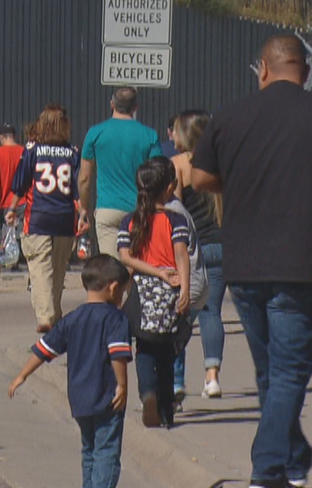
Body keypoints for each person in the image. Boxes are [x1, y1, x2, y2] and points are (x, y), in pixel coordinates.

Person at [192, 34, 312, 488]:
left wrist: (239, 183)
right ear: (306, 74)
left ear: (264, 70)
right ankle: (267, 471)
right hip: (300, 264)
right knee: (289, 372)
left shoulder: (230, 116)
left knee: (272, 371)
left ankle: (295, 458)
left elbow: (199, 177)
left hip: (244, 267)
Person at [9, 255, 132, 488]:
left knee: (89, 449)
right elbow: (118, 355)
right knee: (106, 450)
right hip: (107, 396)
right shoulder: (116, 318)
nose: (122, 297)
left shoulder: (72, 319)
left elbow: (44, 350)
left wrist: (22, 374)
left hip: (79, 397)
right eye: (122, 292)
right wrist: (122, 385)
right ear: (114, 287)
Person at [118, 156, 191, 429]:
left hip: (142, 290)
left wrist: (150, 270)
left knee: (145, 347)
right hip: (170, 289)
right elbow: (181, 254)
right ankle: (166, 408)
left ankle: (147, 394)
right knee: (168, 351)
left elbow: (125, 257)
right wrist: (183, 286)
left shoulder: (130, 220)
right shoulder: (175, 220)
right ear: (170, 188)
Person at [7, 105, 87, 332]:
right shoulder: (73, 151)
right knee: (58, 268)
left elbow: (21, 184)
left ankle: (46, 316)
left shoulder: (32, 149)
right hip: (64, 218)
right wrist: (82, 213)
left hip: (38, 217)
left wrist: (12, 209)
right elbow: (77, 187)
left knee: (40, 268)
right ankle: (55, 315)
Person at [169, 110, 224, 400]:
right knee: (212, 312)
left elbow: (175, 213)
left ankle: (176, 381)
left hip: (193, 248)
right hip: (222, 244)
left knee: (181, 315)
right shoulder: (222, 162)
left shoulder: (177, 165)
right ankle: (212, 378)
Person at [79, 87, 162, 259]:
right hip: (138, 208)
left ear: (112, 104)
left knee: (111, 268)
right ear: (136, 107)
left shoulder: (95, 133)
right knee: (136, 265)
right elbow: (158, 174)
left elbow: (84, 179)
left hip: (107, 208)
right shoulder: (150, 135)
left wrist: (84, 209)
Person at [0, 123, 25, 293]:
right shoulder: (25, 152)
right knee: (27, 240)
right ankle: (32, 281)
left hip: (4, 204)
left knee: (0, 242)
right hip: (24, 202)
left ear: (1, 137)